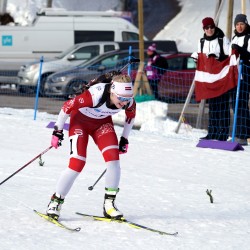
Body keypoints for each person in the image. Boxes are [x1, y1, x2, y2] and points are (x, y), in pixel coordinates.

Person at [46, 73, 136, 220]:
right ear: (112, 92)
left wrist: (124, 139)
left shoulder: (128, 100)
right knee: (77, 163)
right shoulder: (96, 94)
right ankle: (55, 202)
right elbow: (66, 107)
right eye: (121, 98)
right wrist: (57, 131)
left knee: (113, 160)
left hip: (102, 124)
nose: (124, 102)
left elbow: (131, 117)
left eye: (127, 99)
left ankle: (109, 205)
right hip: (80, 122)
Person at [192, 17, 230, 141]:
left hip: (222, 77)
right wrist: (196, 57)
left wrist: (217, 56)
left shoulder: (222, 39)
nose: (209, 30)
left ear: (214, 27)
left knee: (222, 106)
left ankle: (223, 133)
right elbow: (199, 56)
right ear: (204, 29)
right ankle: (212, 132)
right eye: (207, 28)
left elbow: (229, 57)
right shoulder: (201, 41)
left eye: (211, 27)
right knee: (212, 107)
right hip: (209, 79)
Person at [230, 14, 250, 146]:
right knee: (234, 103)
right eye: (237, 24)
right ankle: (240, 132)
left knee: (241, 102)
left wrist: (240, 50)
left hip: (246, 72)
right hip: (235, 73)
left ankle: (242, 135)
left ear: (246, 24)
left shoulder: (249, 38)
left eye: (241, 24)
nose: (239, 26)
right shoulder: (234, 38)